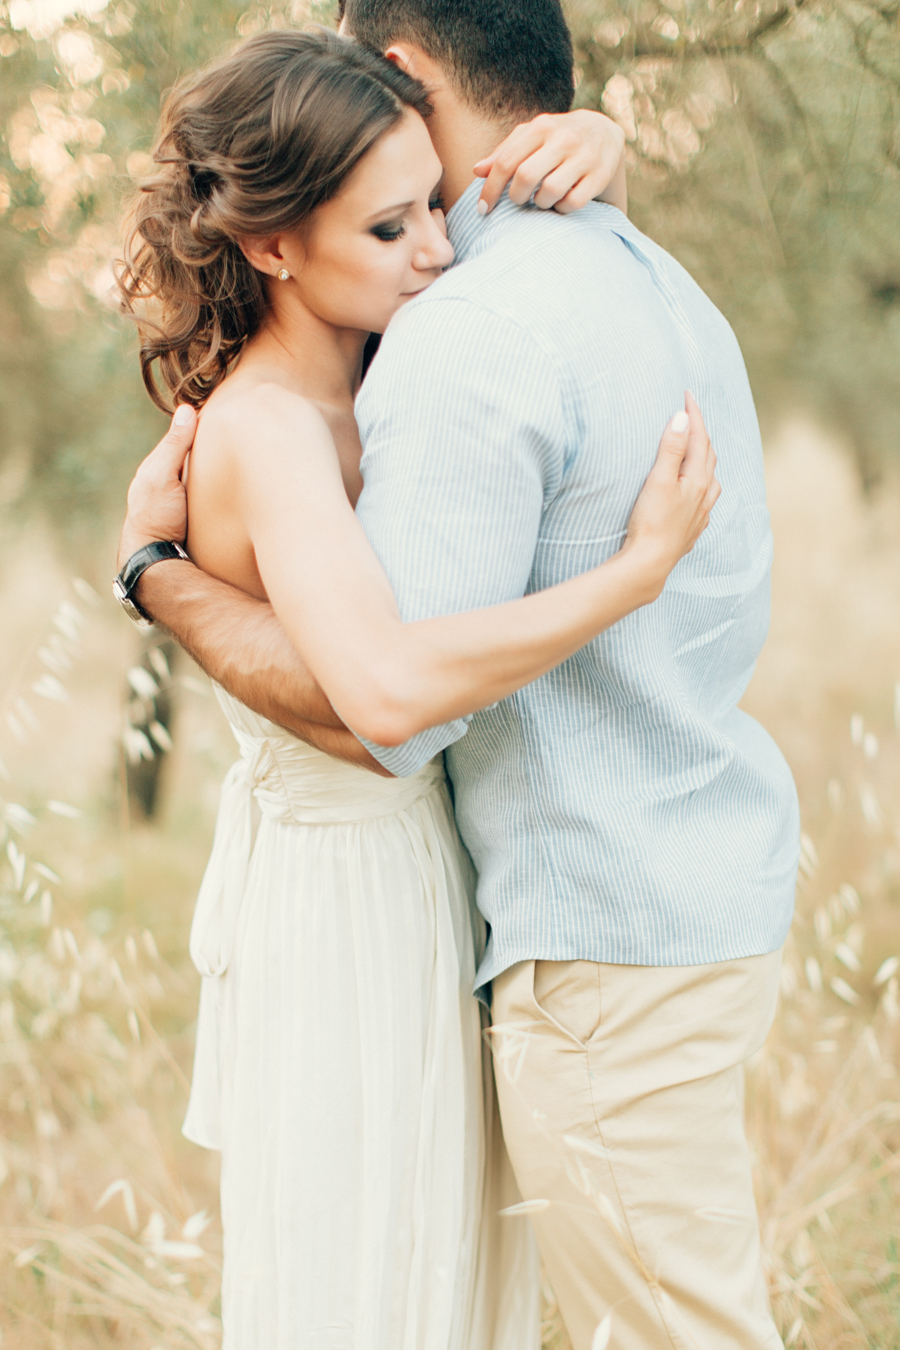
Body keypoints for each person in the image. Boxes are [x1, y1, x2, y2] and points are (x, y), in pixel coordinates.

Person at [114, 22, 720, 1350]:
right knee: (365, 1285)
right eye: (392, 231)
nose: (438, 253)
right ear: (273, 245)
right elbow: (385, 694)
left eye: (435, 208)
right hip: (340, 918)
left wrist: (602, 153)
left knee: (447, 1286)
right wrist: (632, 575)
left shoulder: (382, 366)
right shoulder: (269, 425)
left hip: (432, 890)